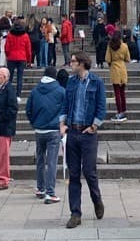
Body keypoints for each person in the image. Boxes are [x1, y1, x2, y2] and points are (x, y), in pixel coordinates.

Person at [60, 51, 106, 229]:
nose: (70, 64)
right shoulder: (70, 82)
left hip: (88, 133)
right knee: (73, 174)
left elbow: (101, 106)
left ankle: (97, 199)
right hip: (72, 131)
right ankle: (75, 213)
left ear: (82, 63)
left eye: (73, 61)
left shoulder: (96, 82)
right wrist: (62, 124)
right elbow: (65, 104)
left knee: (89, 171)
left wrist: (94, 126)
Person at [25, 65, 66, 203]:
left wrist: (35, 123)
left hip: (39, 130)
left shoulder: (35, 91)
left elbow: (28, 109)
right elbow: (65, 110)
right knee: (52, 161)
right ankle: (50, 192)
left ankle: (40, 188)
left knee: (40, 160)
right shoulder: (60, 91)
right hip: (53, 129)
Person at [5, 16, 32, 100]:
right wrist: (29, 60)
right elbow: (28, 49)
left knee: (10, 77)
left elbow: (7, 47)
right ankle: (18, 95)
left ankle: (8, 93)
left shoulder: (10, 35)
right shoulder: (25, 35)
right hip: (22, 58)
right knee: (20, 77)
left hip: (12, 57)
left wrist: (8, 55)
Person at [105, 31, 130, 121]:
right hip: (122, 68)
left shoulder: (110, 46)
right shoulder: (124, 46)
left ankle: (119, 112)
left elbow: (107, 59)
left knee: (117, 93)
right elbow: (128, 58)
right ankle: (124, 110)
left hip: (114, 68)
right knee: (122, 93)